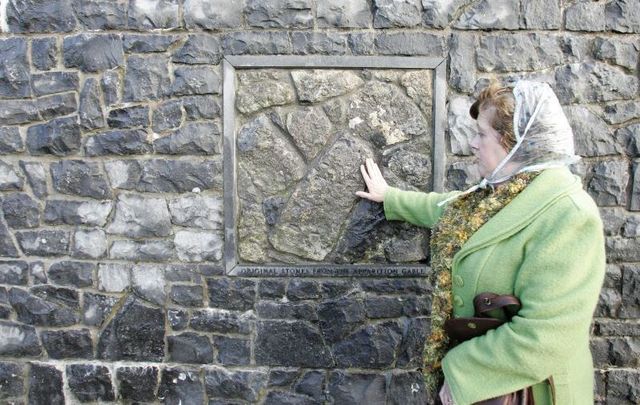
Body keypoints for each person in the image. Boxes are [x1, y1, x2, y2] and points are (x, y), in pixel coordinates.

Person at [357, 81, 606, 404]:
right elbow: (448, 210)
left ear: (515, 143)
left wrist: (461, 372)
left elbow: (545, 336)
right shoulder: (500, 195)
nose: (473, 144)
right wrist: (391, 198)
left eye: (482, 134)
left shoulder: (569, 216)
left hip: (532, 392)